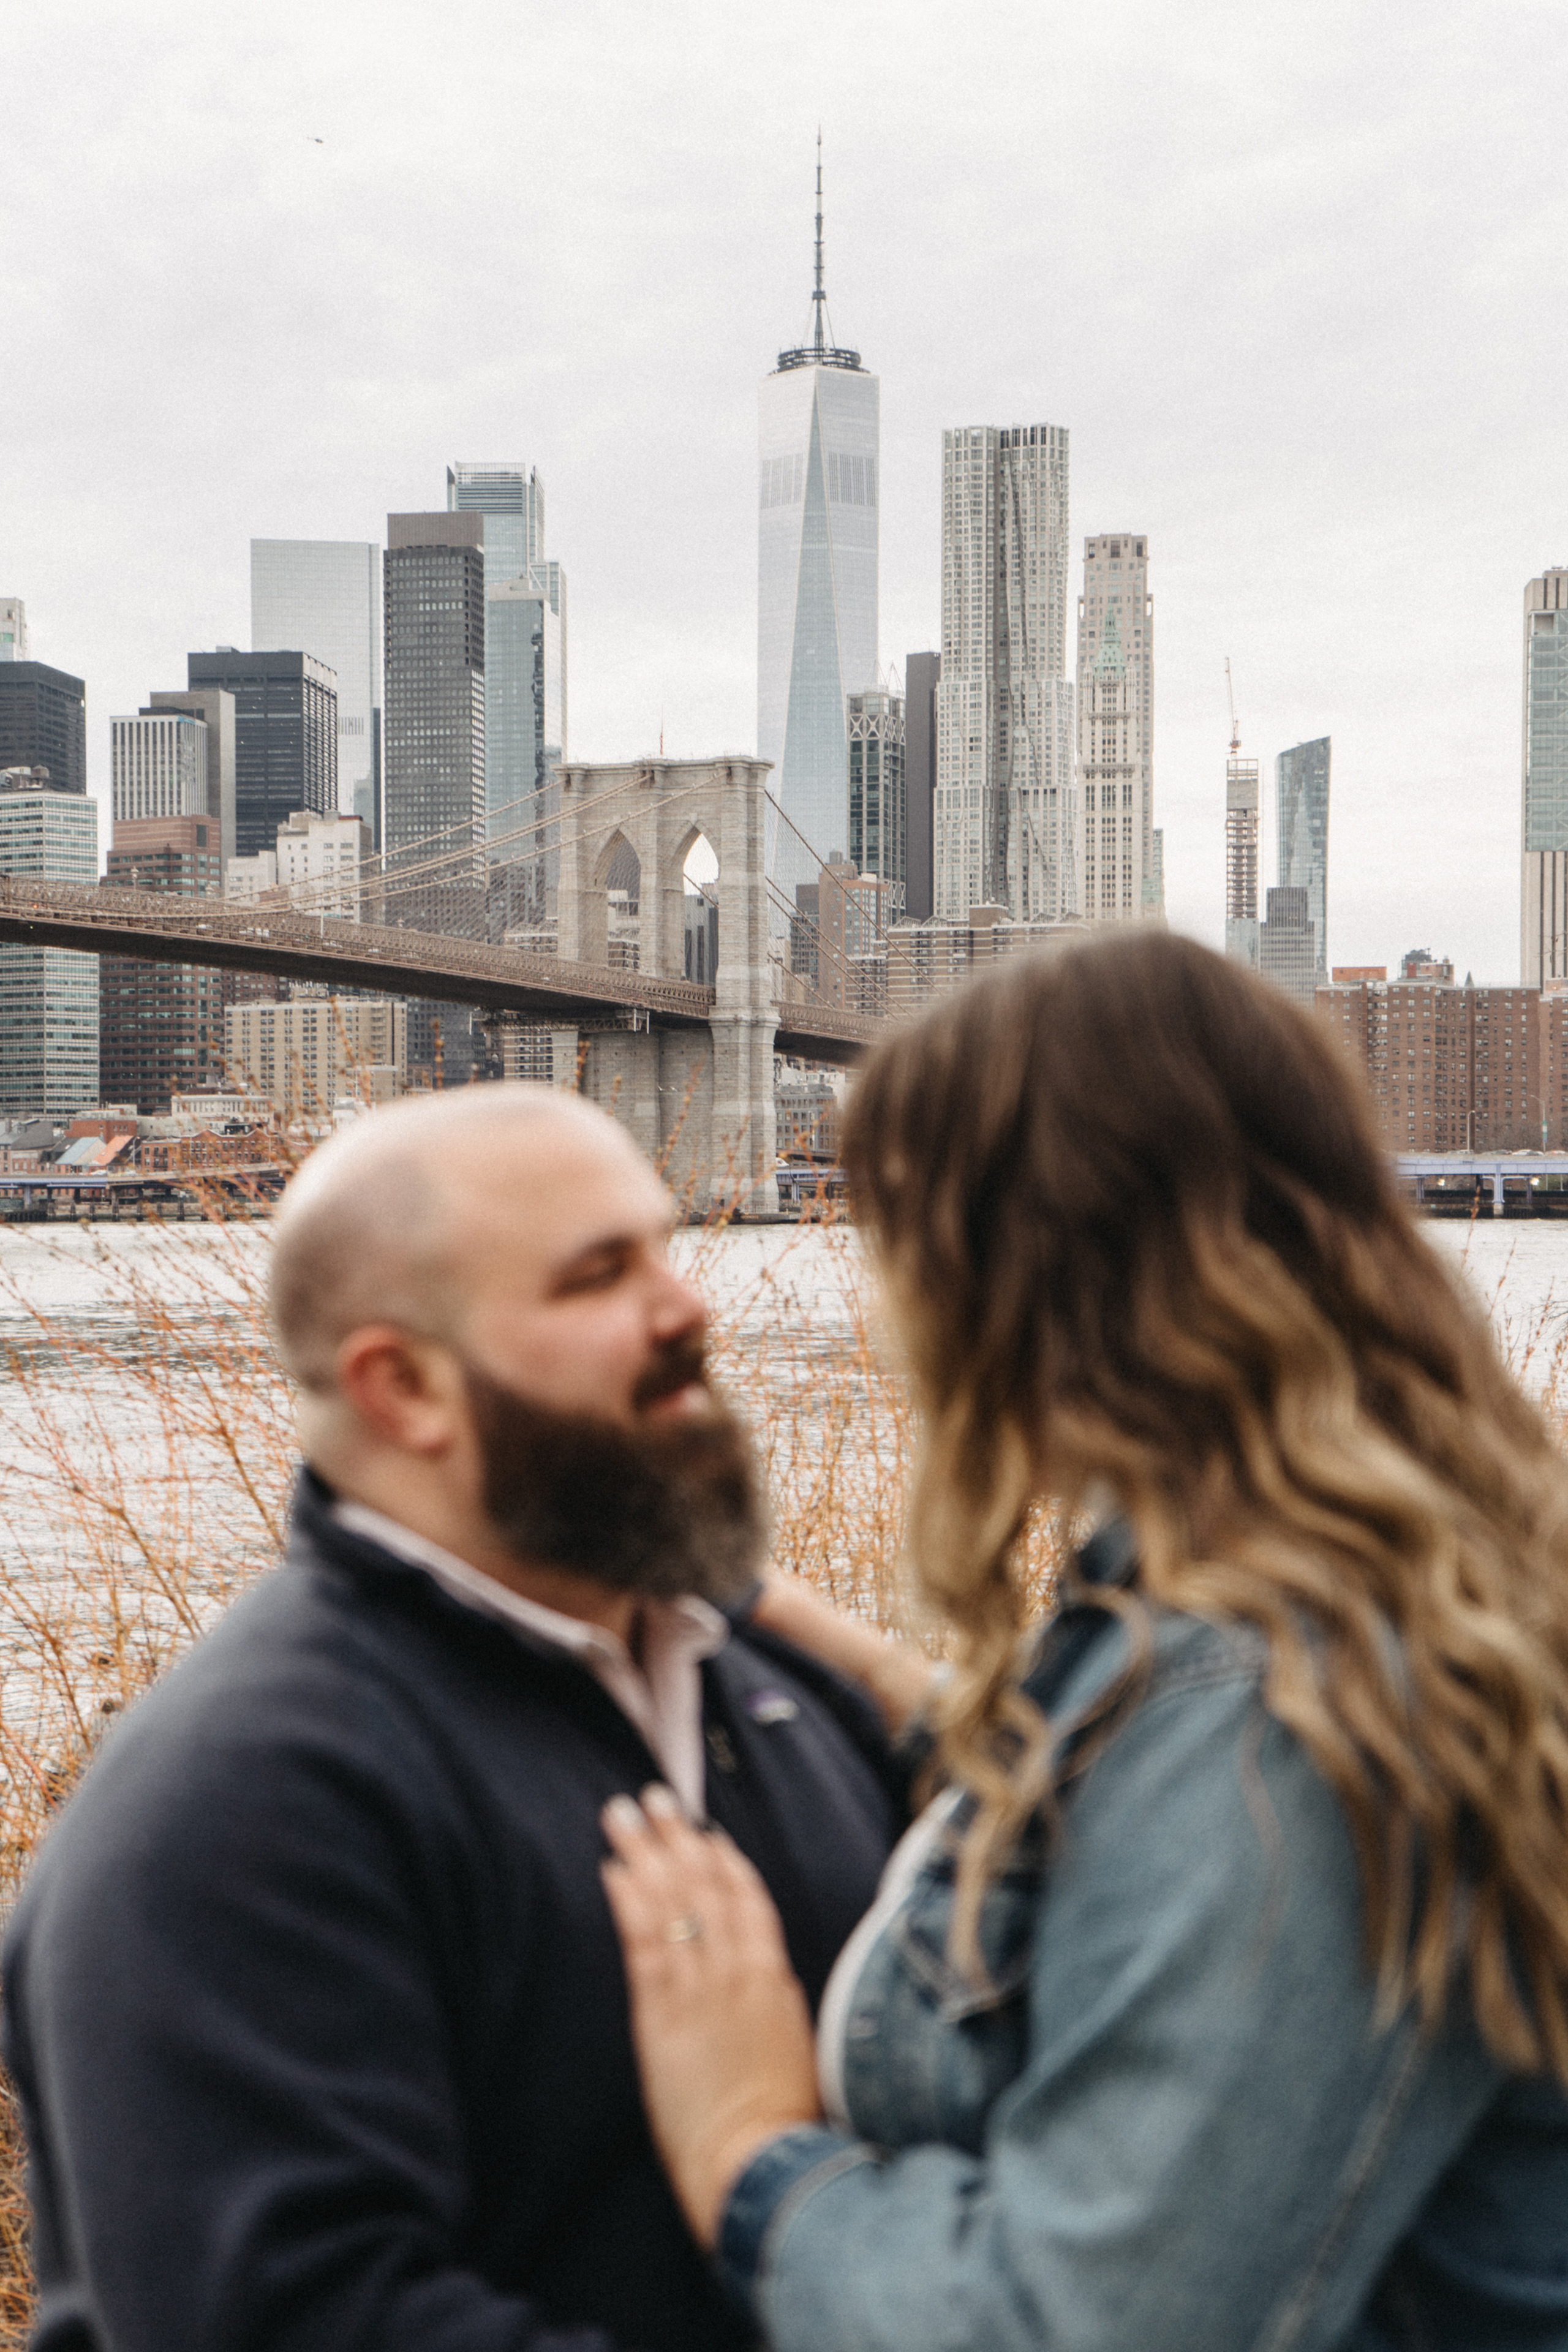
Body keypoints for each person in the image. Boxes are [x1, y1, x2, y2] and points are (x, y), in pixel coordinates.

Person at [601, 930, 1568, 2352]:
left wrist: (747, 2154)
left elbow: (1079, 2324)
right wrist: (785, 1623)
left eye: (903, 1243)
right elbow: (1128, 1830)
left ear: (1024, 1278)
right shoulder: (1391, 1574)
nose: (890, 1308)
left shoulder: (1272, 1708)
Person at [1, 1084, 922, 2352]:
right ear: (404, 1388)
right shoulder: (238, 1809)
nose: (686, 1309)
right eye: (599, 1276)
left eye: (663, 1252)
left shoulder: (778, 1688)